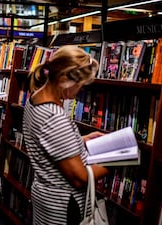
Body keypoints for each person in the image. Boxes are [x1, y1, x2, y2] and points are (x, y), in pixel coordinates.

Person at [22, 45, 109, 225]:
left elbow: (46, 141)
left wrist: (81, 140)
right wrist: (120, 161)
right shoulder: (54, 116)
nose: (79, 91)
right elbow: (80, 178)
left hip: (45, 196)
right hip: (63, 204)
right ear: (64, 79)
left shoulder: (35, 98)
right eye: (79, 85)